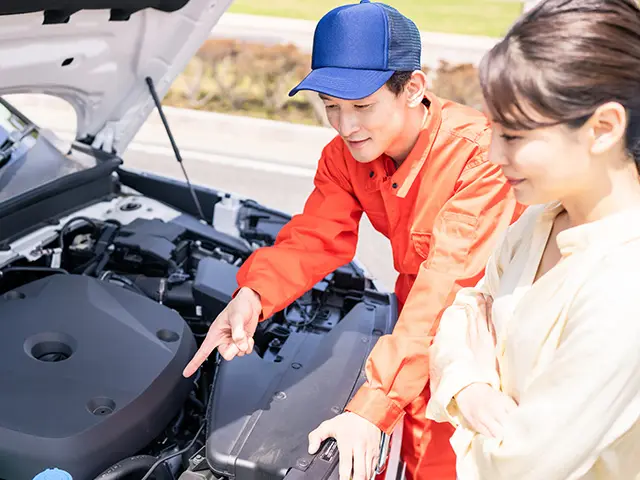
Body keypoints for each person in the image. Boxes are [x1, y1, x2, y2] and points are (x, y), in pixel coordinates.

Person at [183, 1, 523, 479]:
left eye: (362, 106)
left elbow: (446, 288)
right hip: (417, 329)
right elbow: (316, 236)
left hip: (490, 342)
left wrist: (371, 408)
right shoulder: (345, 155)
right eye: (331, 108)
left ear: (413, 89)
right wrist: (253, 295)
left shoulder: (478, 159)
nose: (346, 126)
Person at [426, 1, 640, 478]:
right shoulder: (541, 221)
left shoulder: (626, 284)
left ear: (602, 128)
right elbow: (463, 310)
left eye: (514, 136)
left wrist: (461, 383)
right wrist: (473, 389)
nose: (491, 151)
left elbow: (519, 467)